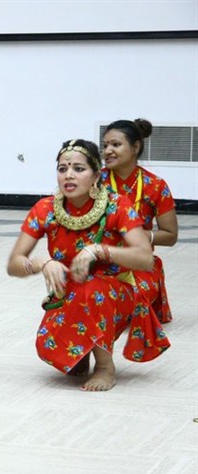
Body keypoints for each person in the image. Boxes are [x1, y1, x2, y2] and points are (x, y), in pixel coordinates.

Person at [7, 139, 170, 392]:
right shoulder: (46, 208)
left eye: (78, 169)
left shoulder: (116, 205)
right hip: (69, 291)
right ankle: (83, 348)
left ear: (96, 175)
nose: (69, 175)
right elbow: (14, 264)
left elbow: (144, 257)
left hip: (117, 291)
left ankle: (105, 367)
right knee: (51, 350)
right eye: (63, 169)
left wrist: (100, 250)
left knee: (92, 289)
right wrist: (42, 262)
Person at [100, 118, 178, 323]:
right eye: (105, 145)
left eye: (115, 145)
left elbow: (170, 236)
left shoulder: (155, 185)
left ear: (135, 147)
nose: (108, 150)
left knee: (134, 298)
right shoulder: (94, 182)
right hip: (100, 262)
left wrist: (142, 235)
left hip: (138, 264)